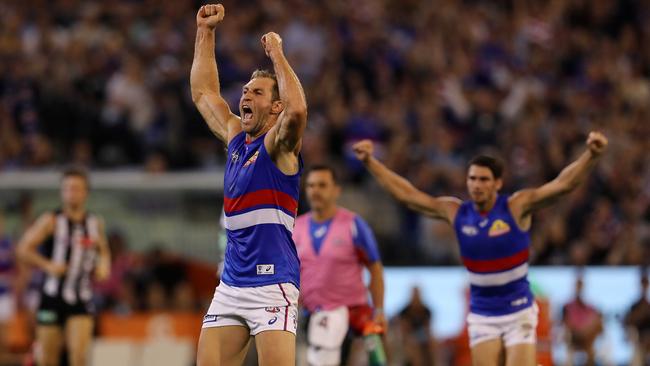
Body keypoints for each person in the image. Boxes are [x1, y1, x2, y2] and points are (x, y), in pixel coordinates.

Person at [352, 131, 608, 366]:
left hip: (518, 311)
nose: (476, 185)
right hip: (482, 315)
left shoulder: (516, 207)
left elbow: (562, 185)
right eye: (472, 178)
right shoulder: (456, 212)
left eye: (484, 179)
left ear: (497, 183)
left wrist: (591, 156)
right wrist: (371, 163)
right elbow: (408, 195)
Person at [190, 3, 308, 366]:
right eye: (245, 90)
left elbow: (298, 111)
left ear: (275, 109)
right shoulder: (236, 140)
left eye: (257, 93)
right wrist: (205, 32)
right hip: (231, 286)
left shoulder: (278, 146)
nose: (245, 96)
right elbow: (203, 94)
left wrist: (276, 54)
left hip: (273, 284)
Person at [16, 167, 111, 366]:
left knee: (78, 356)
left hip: (81, 297)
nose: (71, 193)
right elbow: (23, 249)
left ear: (86, 192)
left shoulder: (94, 223)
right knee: (48, 359)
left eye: (76, 188)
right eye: (67, 188)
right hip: (52, 297)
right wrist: (47, 264)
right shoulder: (51, 220)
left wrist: (103, 266)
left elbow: (103, 250)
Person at [293, 165, 386, 366]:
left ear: (336, 190)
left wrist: (378, 310)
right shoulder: (296, 228)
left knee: (376, 358)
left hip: (352, 315)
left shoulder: (353, 225)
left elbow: (375, 268)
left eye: (322, 185)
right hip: (311, 314)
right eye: (310, 186)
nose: (315, 191)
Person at [561, 272, 603, 366]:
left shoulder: (589, 307)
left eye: (581, 285)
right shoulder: (567, 306)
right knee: (590, 342)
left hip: (587, 338)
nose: (579, 287)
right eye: (577, 284)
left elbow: (599, 326)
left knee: (596, 322)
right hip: (573, 336)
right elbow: (566, 323)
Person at [624, 268, 650, 366]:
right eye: (642, 283)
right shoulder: (634, 305)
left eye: (646, 283)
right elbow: (628, 322)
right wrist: (641, 313)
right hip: (638, 338)